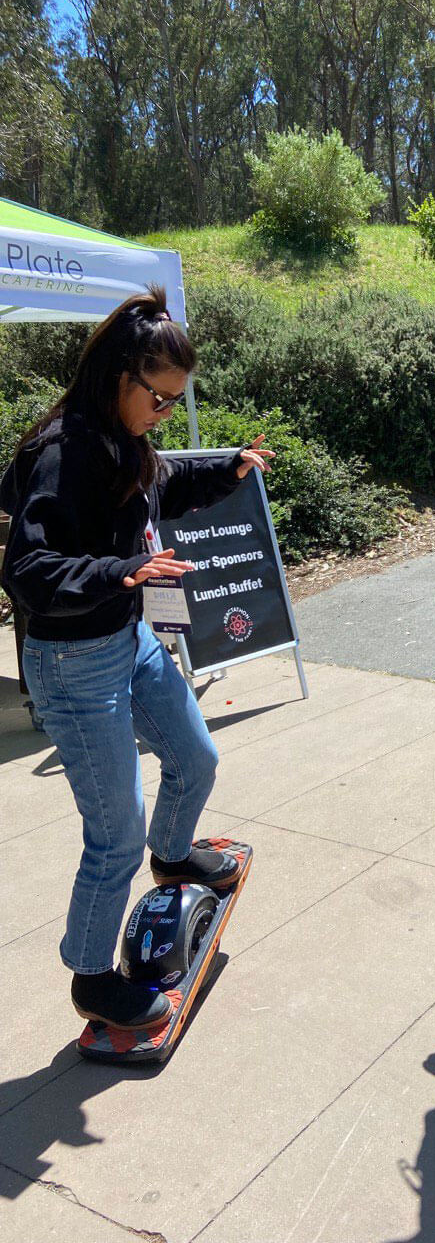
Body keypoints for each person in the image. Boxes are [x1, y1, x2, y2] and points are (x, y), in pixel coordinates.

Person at [0, 287, 273, 1030]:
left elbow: (165, 484)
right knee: (113, 833)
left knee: (197, 759)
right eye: (157, 398)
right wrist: (120, 573)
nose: (161, 412)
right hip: (73, 662)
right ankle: (92, 977)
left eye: (172, 401)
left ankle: (175, 854)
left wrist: (231, 467)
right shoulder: (60, 452)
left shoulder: (126, 441)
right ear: (121, 376)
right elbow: (27, 569)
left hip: (128, 641)